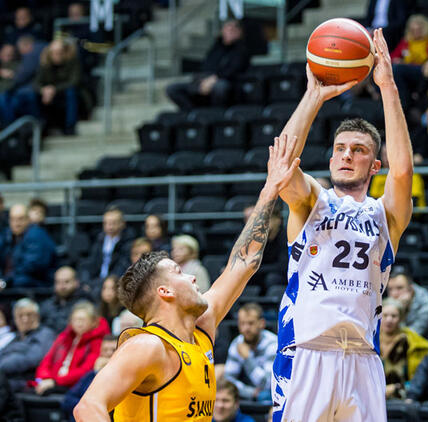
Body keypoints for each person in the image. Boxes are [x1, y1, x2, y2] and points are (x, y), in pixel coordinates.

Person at [73, 135, 298, 421]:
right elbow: (87, 408)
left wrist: (270, 191)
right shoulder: (148, 346)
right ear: (165, 291)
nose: (192, 278)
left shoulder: (201, 331)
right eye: (179, 272)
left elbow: (244, 262)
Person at [271, 29, 413, 422]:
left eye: (359, 150)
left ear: (375, 165)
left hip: (363, 357)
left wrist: (388, 88)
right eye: (340, 149)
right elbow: (283, 165)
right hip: (307, 351)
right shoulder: (312, 201)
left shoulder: (386, 215)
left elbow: (403, 172)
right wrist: (313, 96)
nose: (347, 155)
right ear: (331, 159)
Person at [165, 19, 250, 110]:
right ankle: (193, 113)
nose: (230, 31)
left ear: (239, 32)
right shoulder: (216, 47)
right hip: (205, 79)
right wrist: (202, 81)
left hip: (226, 82)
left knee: (220, 87)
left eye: (233, 29)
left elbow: (233, 70)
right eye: (227, 29)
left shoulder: (241, 50)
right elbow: (206, 66)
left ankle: (216, 114)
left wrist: (213, 79)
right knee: (172, 89)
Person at [33, 301, 110, 395]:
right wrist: (45, 378)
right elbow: (47, 360)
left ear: (94, 322)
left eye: (82, 320)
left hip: (74, 387)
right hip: (51, 382)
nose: (78, 323)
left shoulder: (97, 342)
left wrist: (55, 382)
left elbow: (86, 370)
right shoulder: (64, 337)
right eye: (75, 319)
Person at [11, 38, 82, 135]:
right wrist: (43, 90)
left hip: (65, 93)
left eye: (60, 52)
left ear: (65, 52)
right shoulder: (45, 63)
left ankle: (70, 127)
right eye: (54, 52)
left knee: (71, 92)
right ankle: (40, 125)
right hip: (47, 95)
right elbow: (36, 83)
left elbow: (74, 82)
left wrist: (53, 89)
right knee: (29, 95)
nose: (57, 55)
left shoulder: (72, 61)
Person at [380, 298, 428, 399]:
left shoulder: (412, 342)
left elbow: (419, 378)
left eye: (394, 316)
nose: (389, 320)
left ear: (401, 318)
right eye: (385, 315)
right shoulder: (370, 340)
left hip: (403, 396)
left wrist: (396, 388)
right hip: (373, 395)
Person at [0, 298, 55, 392]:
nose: (25, 319)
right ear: (15, 319)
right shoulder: (15, 337)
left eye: (29, 315)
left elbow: (34, 358)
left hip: (27, 381)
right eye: (20, 316)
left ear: (37, 316)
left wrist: (4, 363)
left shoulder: (45, 334)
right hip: (8, 379)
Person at [225, 303, 277, 402]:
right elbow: (229, 380)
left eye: (250, 323)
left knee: (265, 396)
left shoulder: (272, 343)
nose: (246, 328)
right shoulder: (237, 343)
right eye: (242, 323)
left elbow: (267, 383)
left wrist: (247, 358)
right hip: (248, 392)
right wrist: (251, 392)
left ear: (261, 323)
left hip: (269, 393)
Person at [61, 335, 118, 422]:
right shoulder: (91, 375)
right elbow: (67, 400)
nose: (109, 353)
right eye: (105, 350)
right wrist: (85, 406)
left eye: (113, 350)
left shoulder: (124, 378)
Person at [0, 203, 57, 288]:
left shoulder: (37, 235)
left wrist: (5, 281)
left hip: (36, 285)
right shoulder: (8, 236)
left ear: (28, 219)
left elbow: (31, 267)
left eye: (20, 219)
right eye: (13, 219)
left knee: (22, 280)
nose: (16, 223)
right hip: (12, 281)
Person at [391, 14, 428, 107]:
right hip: (406, 69)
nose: (416, 32)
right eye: (413, 30)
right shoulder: (406, 42)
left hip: (423, 69)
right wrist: (397, 60)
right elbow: (392, 57)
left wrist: (404, 63)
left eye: (419, 30)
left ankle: (402, 102)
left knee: (397, 69)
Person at [82, 207, 133, 287]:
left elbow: (121, 268)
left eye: (113, 223)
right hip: (96, 281)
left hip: (114, 283)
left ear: (122, 223)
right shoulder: (99, 240)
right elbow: (91, 264)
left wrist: (101, 283)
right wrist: (86, 282)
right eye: (106, 223)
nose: (110, 227)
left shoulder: (128, 243)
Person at [387, 271, 428, 341]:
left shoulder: (427, 309)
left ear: (411, 289)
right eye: (390, 289)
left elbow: (407, 338)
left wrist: (400, 309)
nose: (394, 294)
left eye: (399, 288)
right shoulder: (388, 305)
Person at [40, 266, 90, 333]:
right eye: (58, 282)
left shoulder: (84, 305)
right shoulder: (47, 305)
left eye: (66, 282)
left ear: (76, 282)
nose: (62, 286)